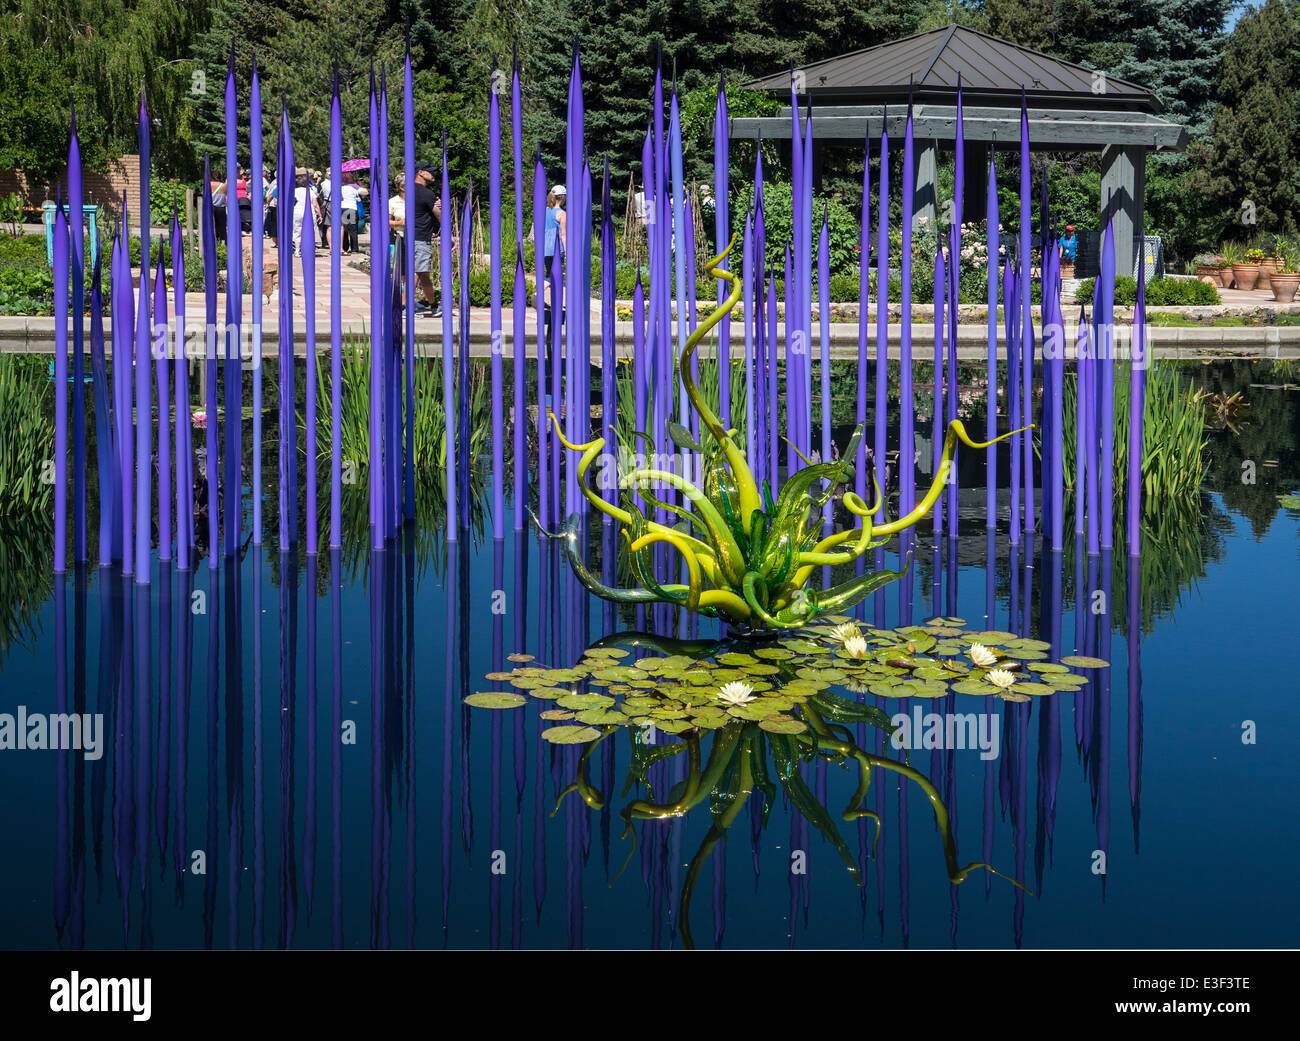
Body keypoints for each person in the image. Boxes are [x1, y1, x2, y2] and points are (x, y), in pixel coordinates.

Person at [410, 163, 442, 317]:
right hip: (421, 238)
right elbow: (439, 215)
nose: (433, 175)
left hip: (407, 237)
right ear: (420, 172)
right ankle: (406, 307)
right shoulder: (427, 194)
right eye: (430, 172)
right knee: (418, 272)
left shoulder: (406, 191)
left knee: (423, 274)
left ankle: (434, 305)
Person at [543, 185, 566, 341]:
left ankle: (546, 297)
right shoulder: (561, 214)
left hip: (544, 248)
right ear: (563, 198)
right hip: (556, 248)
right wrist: (568, 251)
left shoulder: (545, 211)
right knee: (554, 277)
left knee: (548, 273)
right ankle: (540, 292)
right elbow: (563, 234)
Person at [339, 172, 367, 254]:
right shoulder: (354, 187)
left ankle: (344, 247)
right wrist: (359, 185)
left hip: (342, 208)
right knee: (353, 230)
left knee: (344, 229)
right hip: (351, 209)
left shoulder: (339, 187)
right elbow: (365, 192)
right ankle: (354, 248)